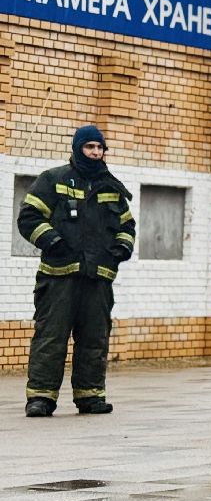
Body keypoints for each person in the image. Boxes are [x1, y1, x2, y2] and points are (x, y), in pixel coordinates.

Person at [16, 125, 135, 417]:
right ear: (77, 148)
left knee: (95, 339)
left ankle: (90, 396)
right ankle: (41, 398)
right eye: (90, 147)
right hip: (58, 276)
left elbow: (127, 226)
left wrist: (121, 249)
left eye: (100, 148)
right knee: (51, 338)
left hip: (98, 278)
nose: (96, 153)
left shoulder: (112, 186)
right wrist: (52, 241)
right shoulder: (53, 179)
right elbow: (29, 217)